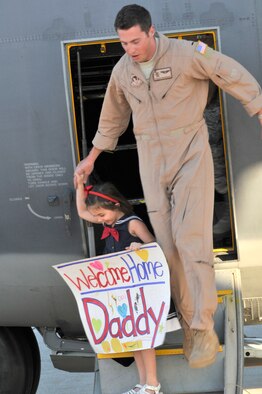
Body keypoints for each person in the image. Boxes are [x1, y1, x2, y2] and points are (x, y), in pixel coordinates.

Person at [74, 4, 262, 370]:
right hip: (151, 159)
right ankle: (191, 321)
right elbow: (112, 117)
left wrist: (257, 107)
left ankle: (201, 326)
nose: (130, 48)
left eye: (134, 41)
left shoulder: (186, 55)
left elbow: (228, 71)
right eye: (123, 42)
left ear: (151, 31)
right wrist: (91, 158)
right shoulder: (122, 71)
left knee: (192, 240)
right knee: (169, 247)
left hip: (189, 153)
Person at [75, 174, 164, 394]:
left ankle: (153, 384)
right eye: (98, 216)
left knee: (144, 337)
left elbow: (154, 247)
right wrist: (79, 186)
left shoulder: (133, 224)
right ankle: (143, 384)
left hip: (138, 290)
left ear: (115, 205)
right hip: (121, 291)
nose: (101, 220)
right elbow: (82, 212)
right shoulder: (110, 220)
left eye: (102, 214)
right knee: (133, 337)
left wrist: (139, 246)